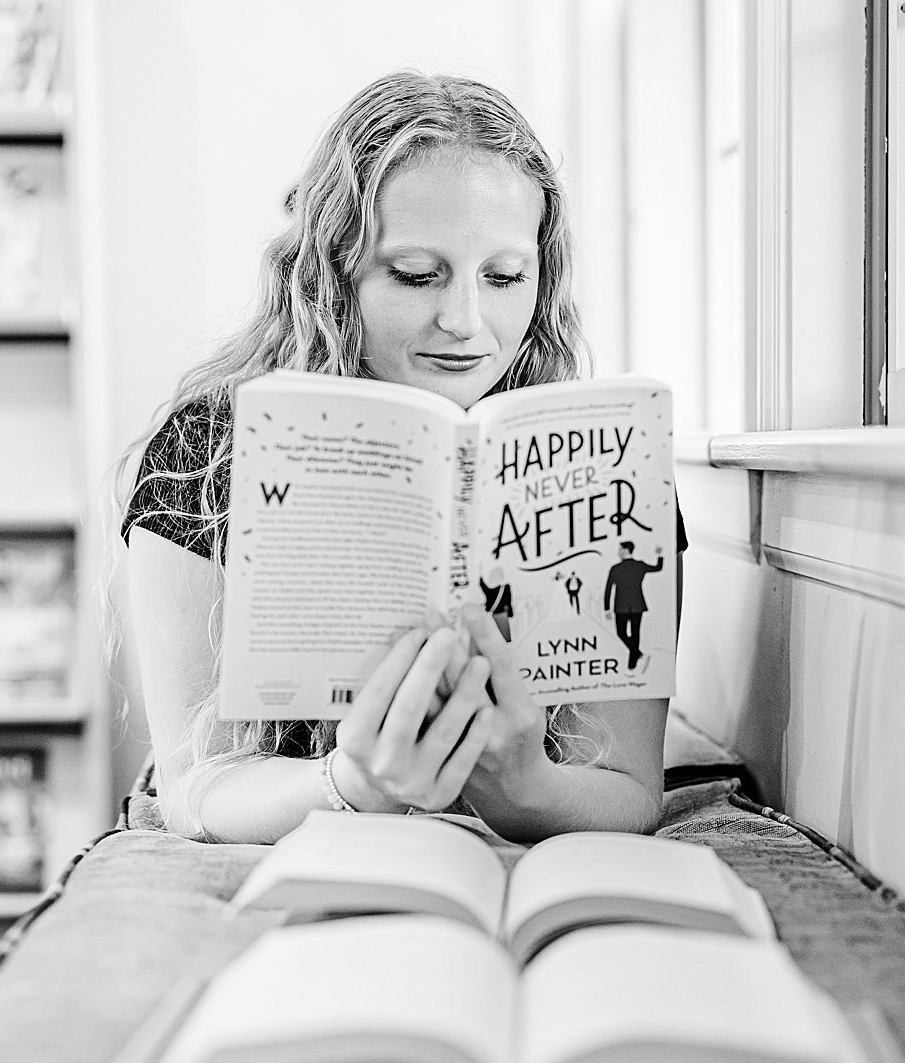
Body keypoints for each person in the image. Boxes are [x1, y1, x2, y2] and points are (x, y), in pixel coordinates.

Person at [116, 70, 685, 846]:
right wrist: (349, 785)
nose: (464, 321)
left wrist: (528, 788)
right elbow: (193, 786)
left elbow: (629, 793)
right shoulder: (205, 454)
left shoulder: (607, 462)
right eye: (416, 275)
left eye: (505, 276)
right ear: (330, 272)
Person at [603, 542, 665, 671]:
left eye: (620, 549)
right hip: (637, 604)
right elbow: (658, 567)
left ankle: (632, 663)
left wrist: (607, 608)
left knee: (623, 633)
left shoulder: (616, 568)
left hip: (621, 606)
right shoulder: (639, 565)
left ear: (625, 550)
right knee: (633, 633)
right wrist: (659, 555)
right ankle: (637, 654)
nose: (618, 551)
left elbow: (608, 589)